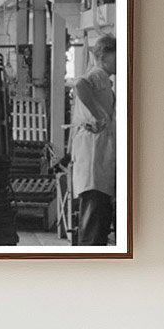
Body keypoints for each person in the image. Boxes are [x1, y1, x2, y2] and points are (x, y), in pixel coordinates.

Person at [70, 33, 117, 245]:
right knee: (94, 213)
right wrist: (99, 114)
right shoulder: (97, 74)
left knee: (98, 214)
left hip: (98, 155)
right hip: (93, 155)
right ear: (104, 55)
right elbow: (80, 85)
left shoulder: (105, 80)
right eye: (116, 56)